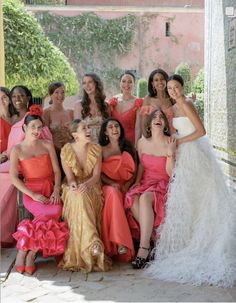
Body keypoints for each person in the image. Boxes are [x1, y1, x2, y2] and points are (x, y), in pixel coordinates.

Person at [147, 74, 236, 287]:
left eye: (176, 87)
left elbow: (201, 131)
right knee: (191, 198)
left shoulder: (185, 103)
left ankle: (209, 242)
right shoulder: (176, 107)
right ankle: (193, 238)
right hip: (186, 154)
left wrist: (180, 140)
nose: (173, 91)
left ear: (182, 87)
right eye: (169, 89)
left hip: (195, 151)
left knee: (203, 196)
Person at [10, 105, 68, 275]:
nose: (36, 130)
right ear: (24, 128)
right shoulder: (17, 149)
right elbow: (14, 178)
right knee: (45, 215)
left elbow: (57, 171)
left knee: (55, 210)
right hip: (32, 191)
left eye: (39, 127)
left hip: (49, 188)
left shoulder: (47, 145)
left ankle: (28, 252)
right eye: (33, 127)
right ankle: (25, 253)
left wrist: (56, 190)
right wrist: (33, 195)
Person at [124, 109, 176, 269]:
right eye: (155, 117)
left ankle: (144, 248)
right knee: (132, 198)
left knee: (146, 198)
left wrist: (169, 154)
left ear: (165, 124)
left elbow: (170, 173)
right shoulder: (142, 142)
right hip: (146, 181)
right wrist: (137, 182)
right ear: (149, 123)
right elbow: (141, 165)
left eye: (161, 117)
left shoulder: (171, 141)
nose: (158, 119)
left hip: (163, 183)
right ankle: (153, 238)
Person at [59, 119, 112, 273]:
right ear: (75, 135)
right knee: (77, 196)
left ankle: (92, 244)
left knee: (83, 196)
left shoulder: (96, 149)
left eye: (88, 127)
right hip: (73, 186)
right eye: (84, 128)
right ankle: (93, 243)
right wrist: (73, 185)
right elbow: (69, 178)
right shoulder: (66, 150)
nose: (88, 130)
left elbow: (96, 176)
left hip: (92, 185)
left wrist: (87, 185)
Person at [0, 92, 52, 248]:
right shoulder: (15, 123)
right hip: (14, 162)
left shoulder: (33, 121)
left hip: (31, 167)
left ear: (28, 98)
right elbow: (11, 150)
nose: (17, 99)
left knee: (6, 177)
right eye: (14, 96)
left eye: (21, 96)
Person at [99, 118, 136, 262]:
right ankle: (121, 242)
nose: (115, 129)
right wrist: (112, 183)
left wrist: (128, 185)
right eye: (111, 127)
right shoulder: (101, 150)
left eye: (117, 126)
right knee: (113, 194)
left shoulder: (127, 147)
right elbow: (99, 174)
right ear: (105, 132)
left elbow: (136, 169)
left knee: (130, 197)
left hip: (127, 185)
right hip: (108, 185)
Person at [108, 71, 143, 145]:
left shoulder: (138, 103)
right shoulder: (113, 101)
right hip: (113, 142)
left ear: (134, 84)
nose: (126, 84)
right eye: (123, 81)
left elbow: (138, 128)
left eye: (130, 82)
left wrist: (136, 146)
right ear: (120, 83)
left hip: (130, 142)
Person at [74, 73, 110, 143]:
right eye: (84, 83)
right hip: (86, 143)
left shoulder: (106, 105)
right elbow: (77, 129)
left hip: (103, 142)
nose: (87, 86)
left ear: (96, 83)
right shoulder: (79, 105)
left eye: (90, 82)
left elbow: (108, 127)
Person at [140, 69, 174, 135]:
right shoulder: (148, 99)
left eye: (162, 79)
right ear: (152, 83)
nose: (160, 82)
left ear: (167, 81)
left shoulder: (172, 98)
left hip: (170, 138)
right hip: (152, 138)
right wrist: (148, 139)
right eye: (156, 80)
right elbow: (143, 125)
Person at [43, 81, 74, 151]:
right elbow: (45, 135)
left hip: (70, 151)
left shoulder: (71, 112)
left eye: (63, 92)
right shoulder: (46, 113)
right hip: (54, 151)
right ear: (50, 94)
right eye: (56, 92)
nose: (60, 95)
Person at [0, 87, 17, 158]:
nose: (1, 100)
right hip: (2, 159)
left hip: (17, 156)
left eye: (4, 97)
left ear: (10, 100)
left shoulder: (17, 118)